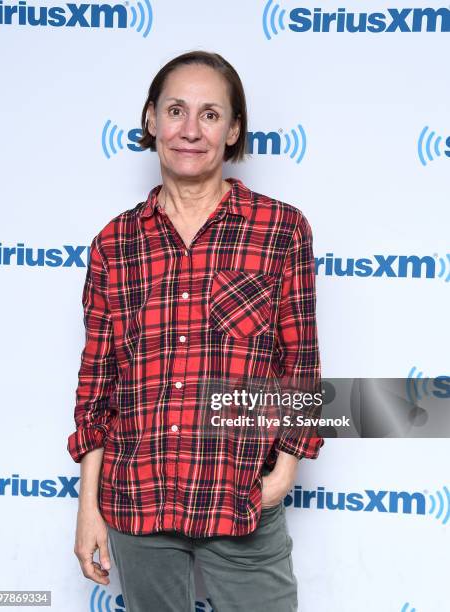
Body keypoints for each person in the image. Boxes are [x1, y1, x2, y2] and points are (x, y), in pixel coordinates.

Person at [67, 50, 324, 612]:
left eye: (210, 115)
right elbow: (98, 386)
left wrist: (282, 474)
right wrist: (89, 507)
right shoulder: (114, 244)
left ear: (233, 131)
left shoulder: (281, 229)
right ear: (150, 120)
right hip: (138, 499)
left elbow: (300, 365)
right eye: (176, 110)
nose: (190, 130)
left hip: (241, 499)